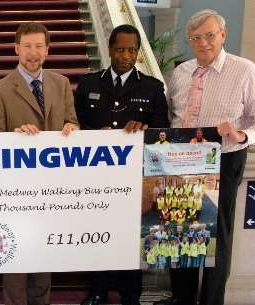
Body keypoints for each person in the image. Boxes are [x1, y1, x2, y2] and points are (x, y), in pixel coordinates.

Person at [156, 9, 255, 305]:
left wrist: (242, 135)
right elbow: (172, 114)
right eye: (196, 37)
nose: (204, 43)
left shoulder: (245, 70)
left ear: (222, 35)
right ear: (190, 40)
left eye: (210, 35)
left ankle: (212, 300)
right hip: (180, 161)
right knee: (179, 231)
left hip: (224, 160)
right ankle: (182, 298)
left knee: (217, 235)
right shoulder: (180, 72)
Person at [0, 22, 78, 305]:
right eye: (27, 46)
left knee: (43, 251)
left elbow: (72, 120)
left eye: (39, 46)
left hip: (52, 188)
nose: (33, 53)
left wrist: (72, 128)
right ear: (16, 49)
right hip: (15, 191)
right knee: (16, 254)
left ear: (48, 50)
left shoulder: (61, 84)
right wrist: (14, 137)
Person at [75, 24, 169, 305]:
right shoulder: (89, 84)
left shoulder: (152, 87)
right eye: (120, 49)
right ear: (110, 49)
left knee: (131, 234)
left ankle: (131, 294)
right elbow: (75, 125)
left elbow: (162, 130)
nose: (125, 55)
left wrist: (144, 128)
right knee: (96, 232)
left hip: (133, 178)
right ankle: (97, 290)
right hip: (97, 175)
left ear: (138, 52)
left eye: (131, 50)